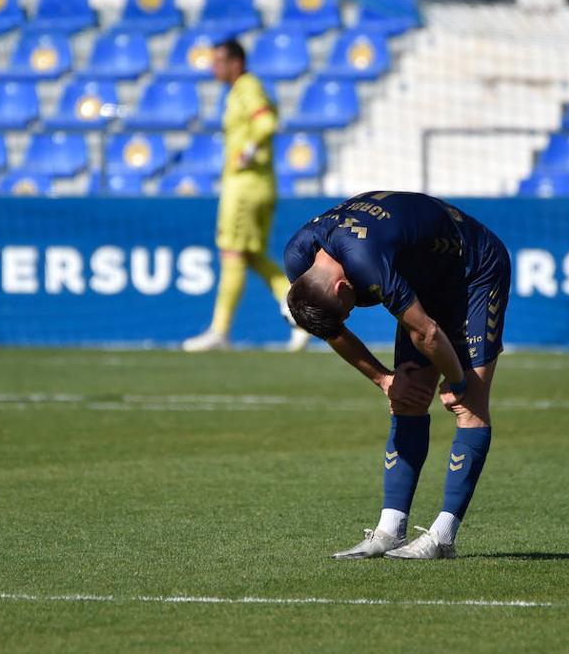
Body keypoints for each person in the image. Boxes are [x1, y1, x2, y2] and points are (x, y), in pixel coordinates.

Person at [284, 191, 511, 559]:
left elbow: (428, 334)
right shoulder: (299, 260)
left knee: (469, 405)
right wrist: (384, 379)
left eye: (347, 311)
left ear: (343, 287)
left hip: (474, 269)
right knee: (405, 400)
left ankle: (442, 538)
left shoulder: (367, 263)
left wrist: (457, 383)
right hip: (424, 277)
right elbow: (332, 331)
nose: (350, 315)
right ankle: (390, 531)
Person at [183, 39, 309, 352]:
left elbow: (266, 121)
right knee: (251, 255)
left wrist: (248, 150)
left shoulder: (247, 86)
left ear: (235, 63)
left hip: (245, 185)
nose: (213, 68)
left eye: (218, 61)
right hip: (259, 183)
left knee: (232, 253)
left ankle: (220, 330)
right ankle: (300, 312)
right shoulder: (242, 89)